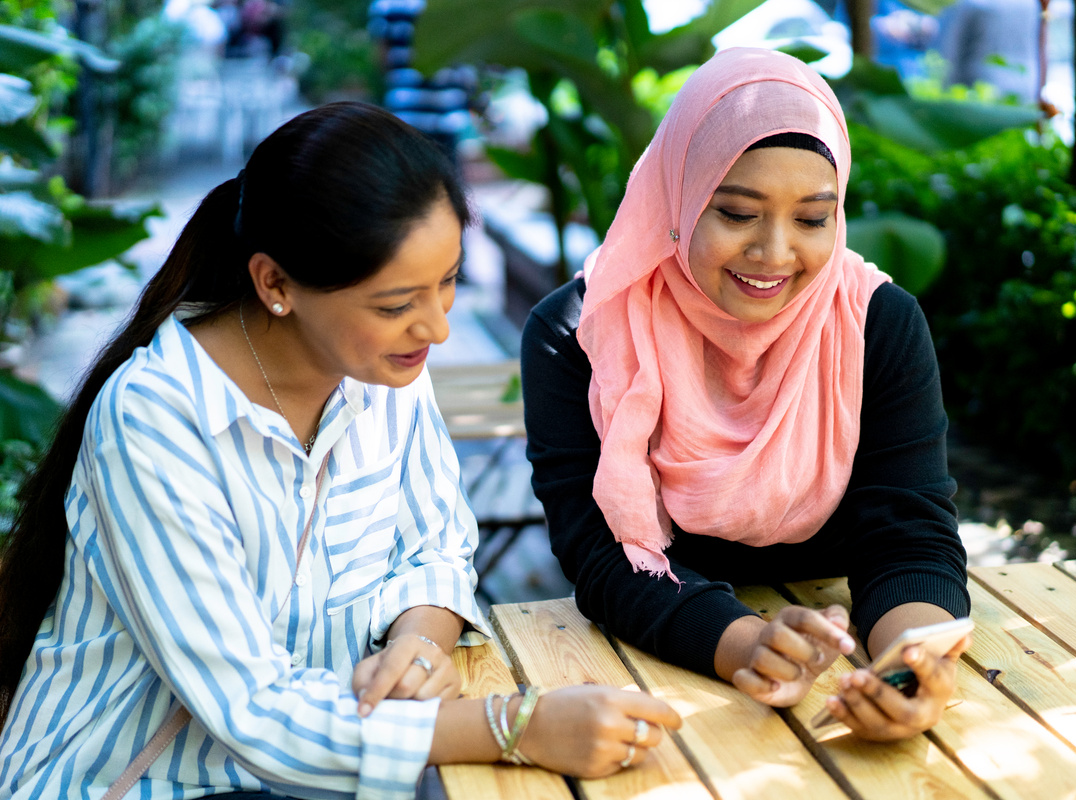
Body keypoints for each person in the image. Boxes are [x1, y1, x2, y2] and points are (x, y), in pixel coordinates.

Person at [0, 102, 680, 799]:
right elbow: (253, 708)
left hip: (313, 779)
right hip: (131, 783)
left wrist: (418, 644)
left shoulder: (381, 370)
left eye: (448, 282)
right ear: (275, 284)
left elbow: (435, 546)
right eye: (396, 304)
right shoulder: (155, 419)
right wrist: (516, 724)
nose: (437, 328)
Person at [522, 48, 971, 741]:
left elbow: (909, 538)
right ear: (680, 197)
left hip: (846, 645)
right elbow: (604, 555)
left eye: (813, 218)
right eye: (736, 212)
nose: (774, 252)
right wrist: (745, 645)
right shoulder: (582, 331)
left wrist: (908, 667)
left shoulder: (875, 322)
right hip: (667, 662)